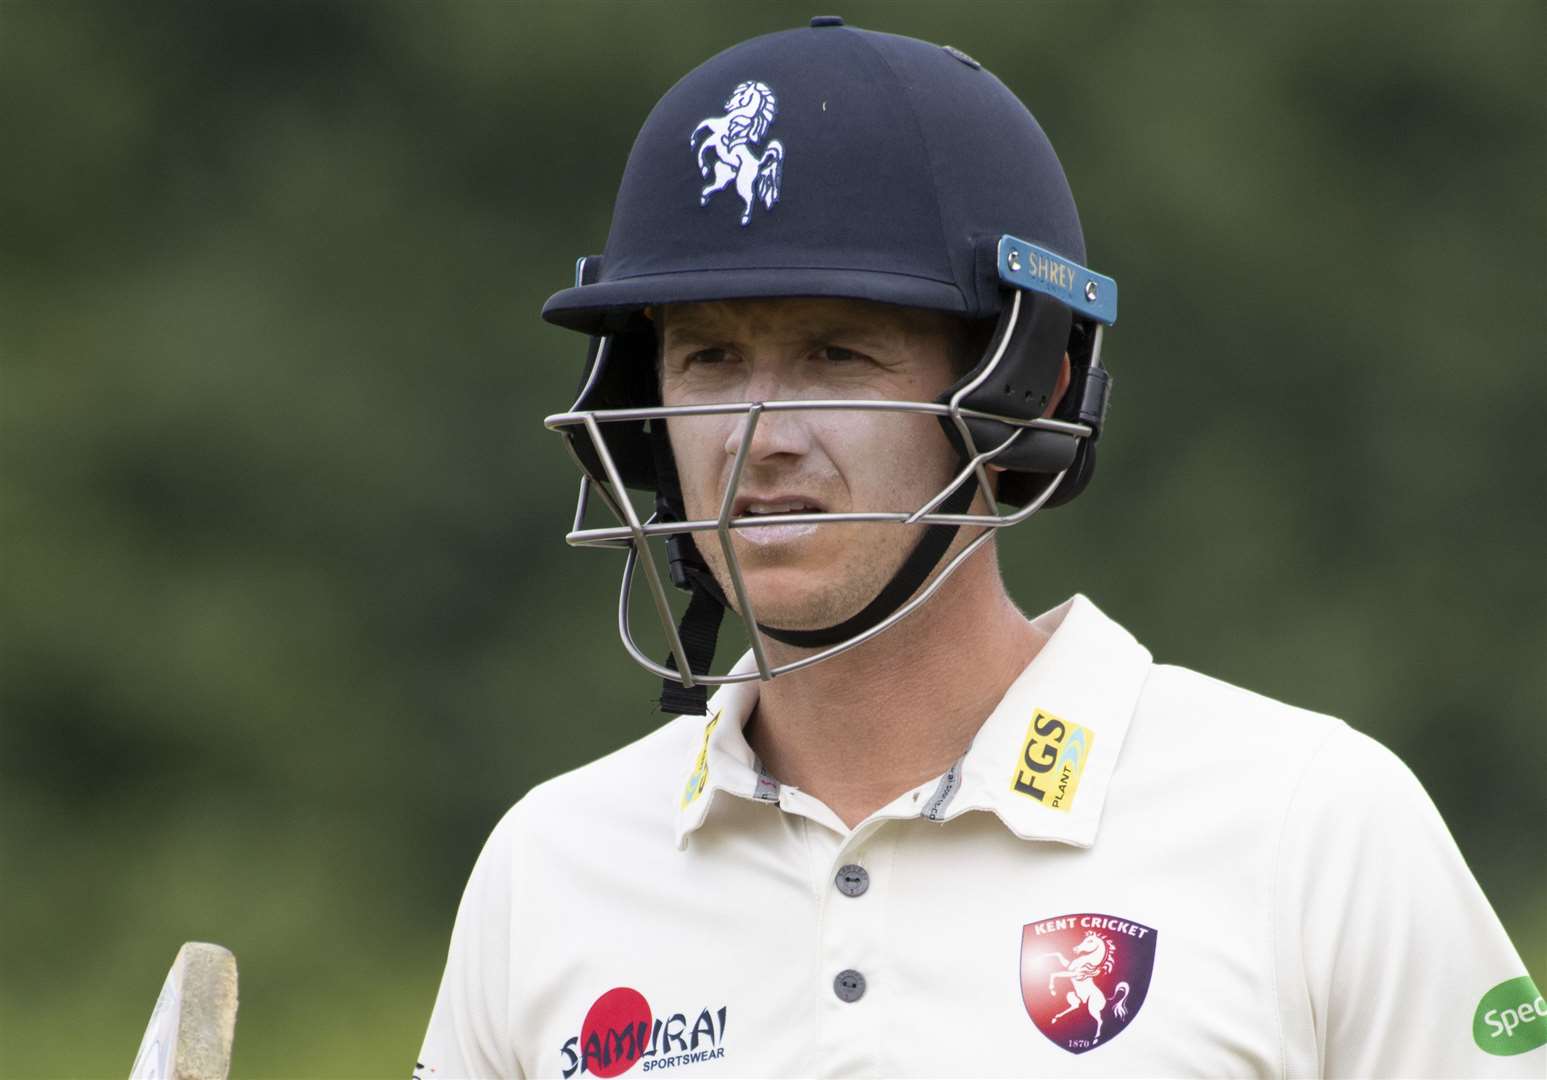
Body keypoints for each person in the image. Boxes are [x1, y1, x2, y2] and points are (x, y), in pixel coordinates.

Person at [418, 18, 1541, 1079]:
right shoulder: (550, 866)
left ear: (1021, 391)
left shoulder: (1310, 821)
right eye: (708, 360)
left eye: (835, 355)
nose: (758, 440)